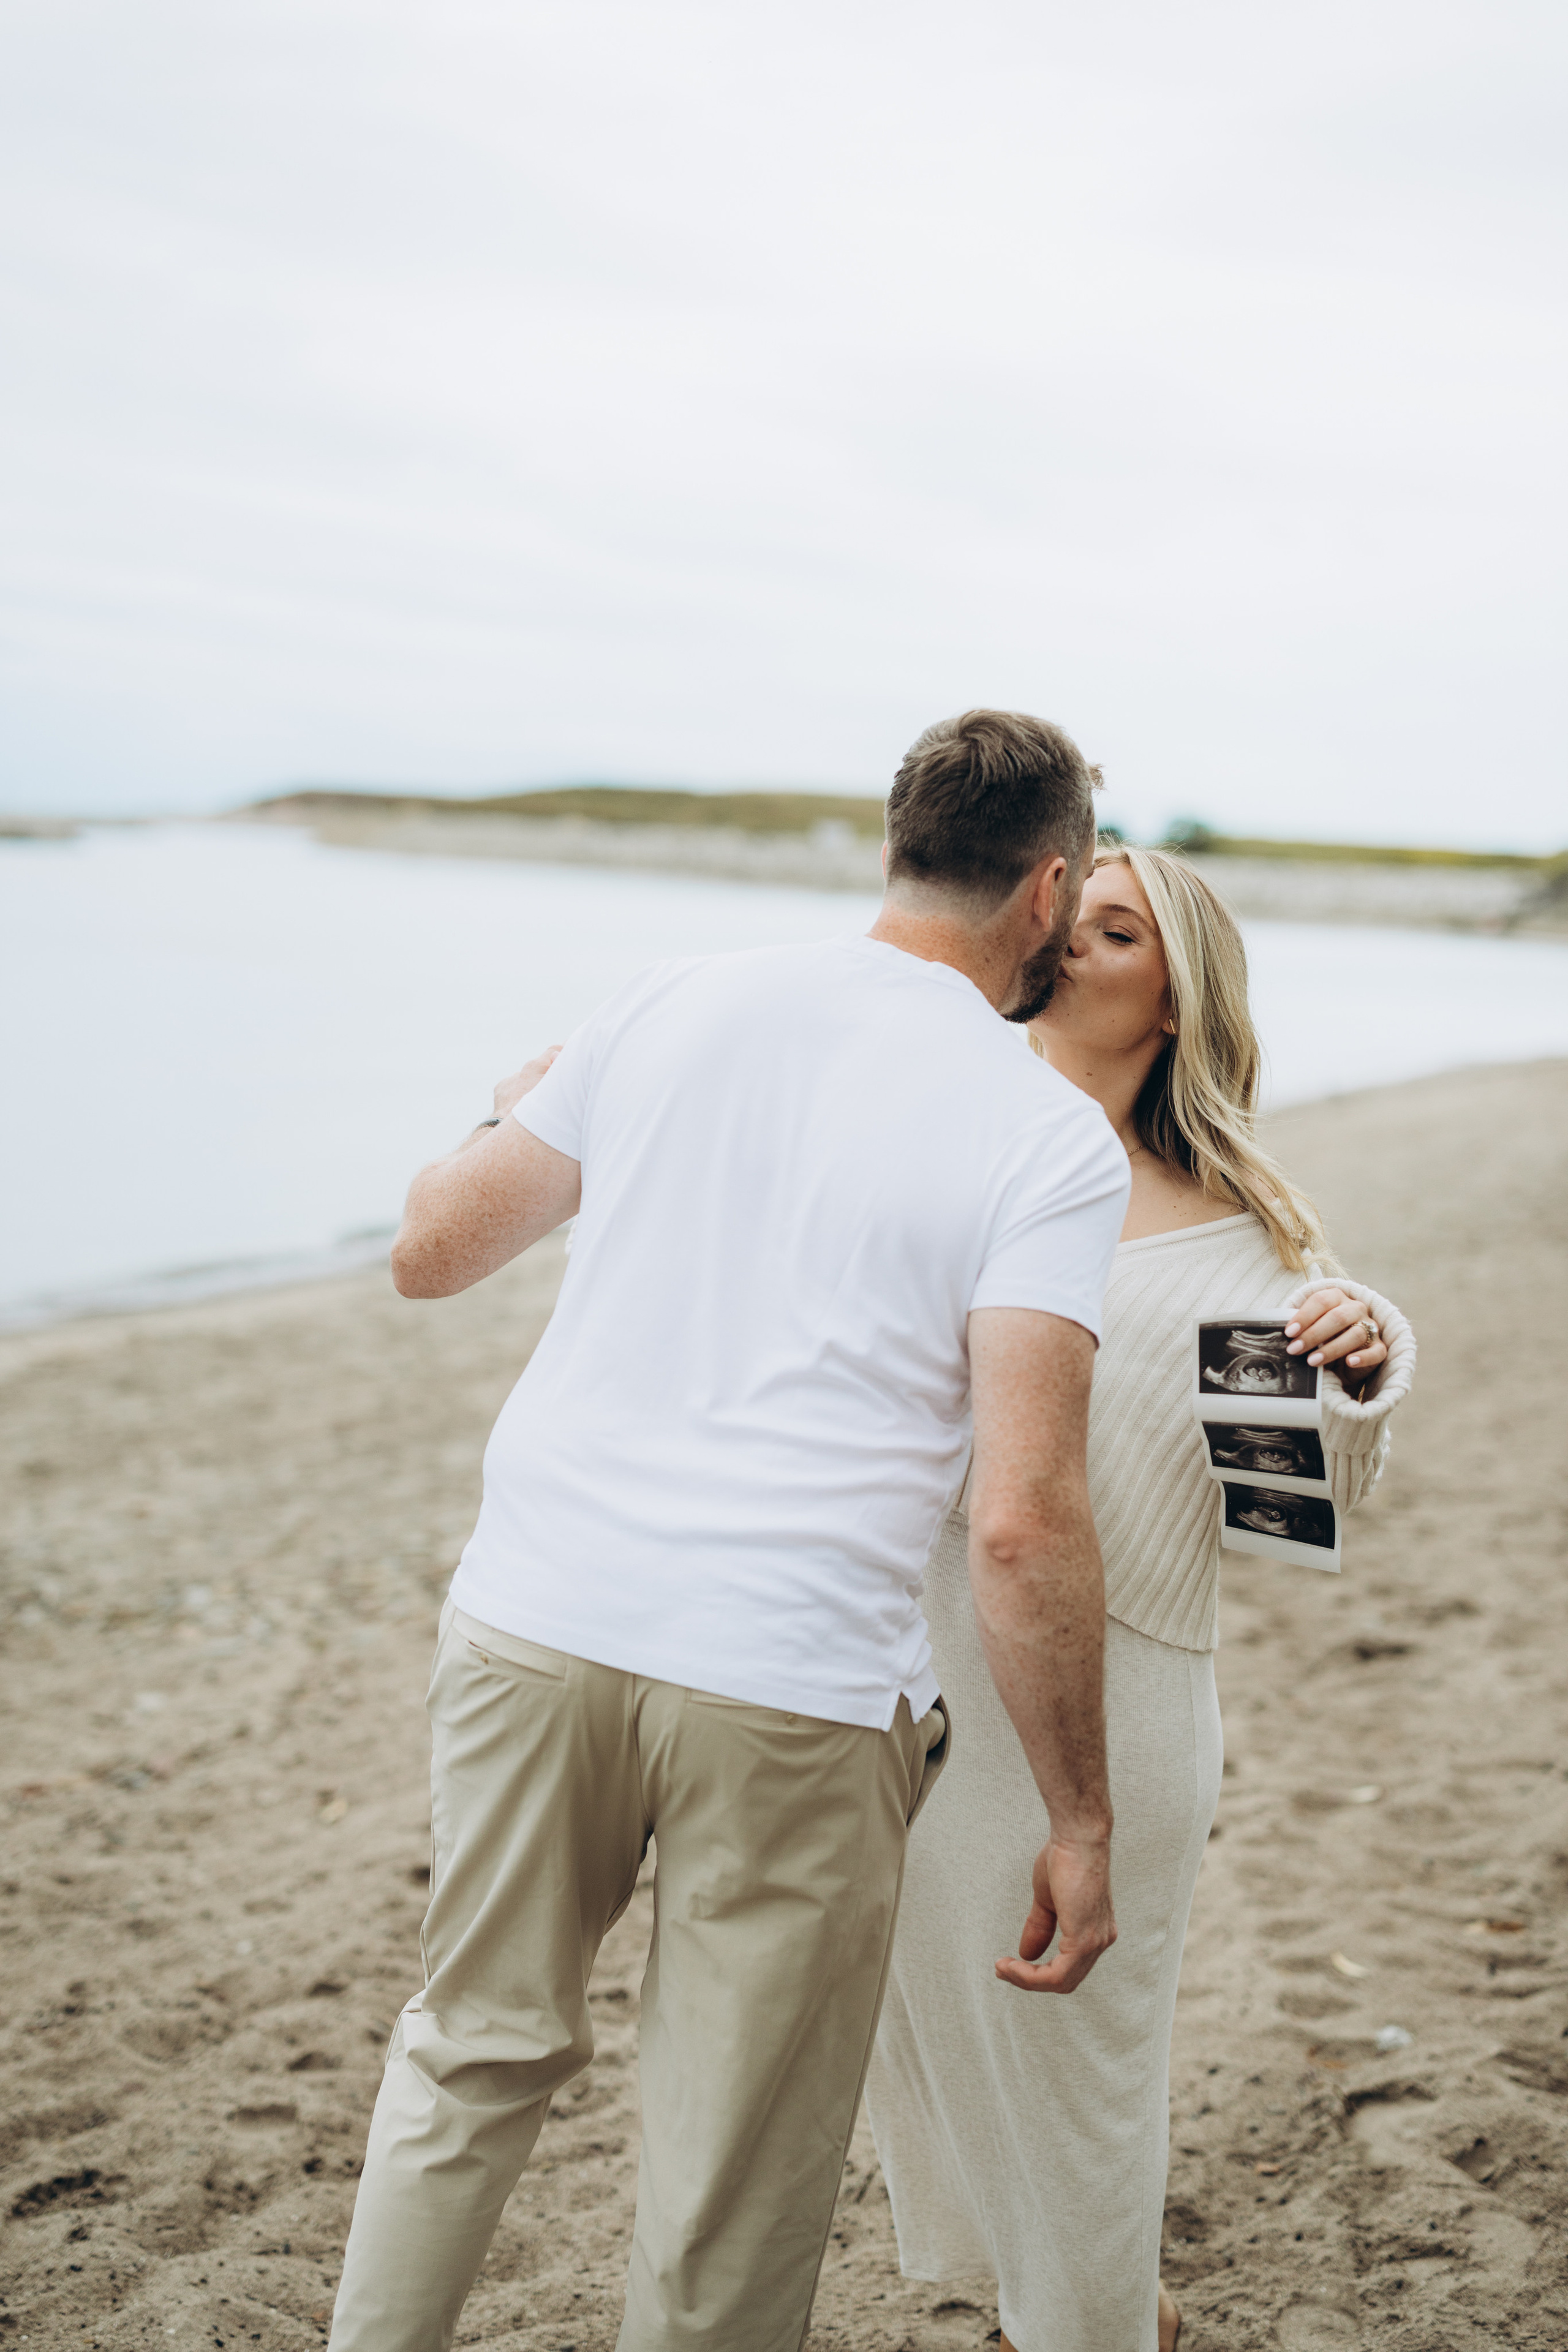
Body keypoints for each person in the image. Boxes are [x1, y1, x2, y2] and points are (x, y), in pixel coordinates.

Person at [326, 712, 1135, 2352]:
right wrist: (1082, 1817)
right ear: (1046, 888)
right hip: (789, 1691)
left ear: (897, 844)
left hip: (536, 1628)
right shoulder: (1046, 1135)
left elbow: (428, 1250)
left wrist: (515, 1110)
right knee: (732, 2176)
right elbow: (1021, 1521)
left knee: (468, 2052)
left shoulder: (668, 1001)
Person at [865, 846, 1416, 2352]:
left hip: (1117, 1695)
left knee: (1081, 2081)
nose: (1071, 941)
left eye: (1117, 932)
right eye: (1071, 912)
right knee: (954, 2057)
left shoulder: (1237, 1231)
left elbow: (1292, 1503)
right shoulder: (936, 1139)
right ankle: (1104, 2317)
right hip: (909, 1684)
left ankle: (1106, 2327)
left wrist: (1363, 1361)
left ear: (1170, 1005)